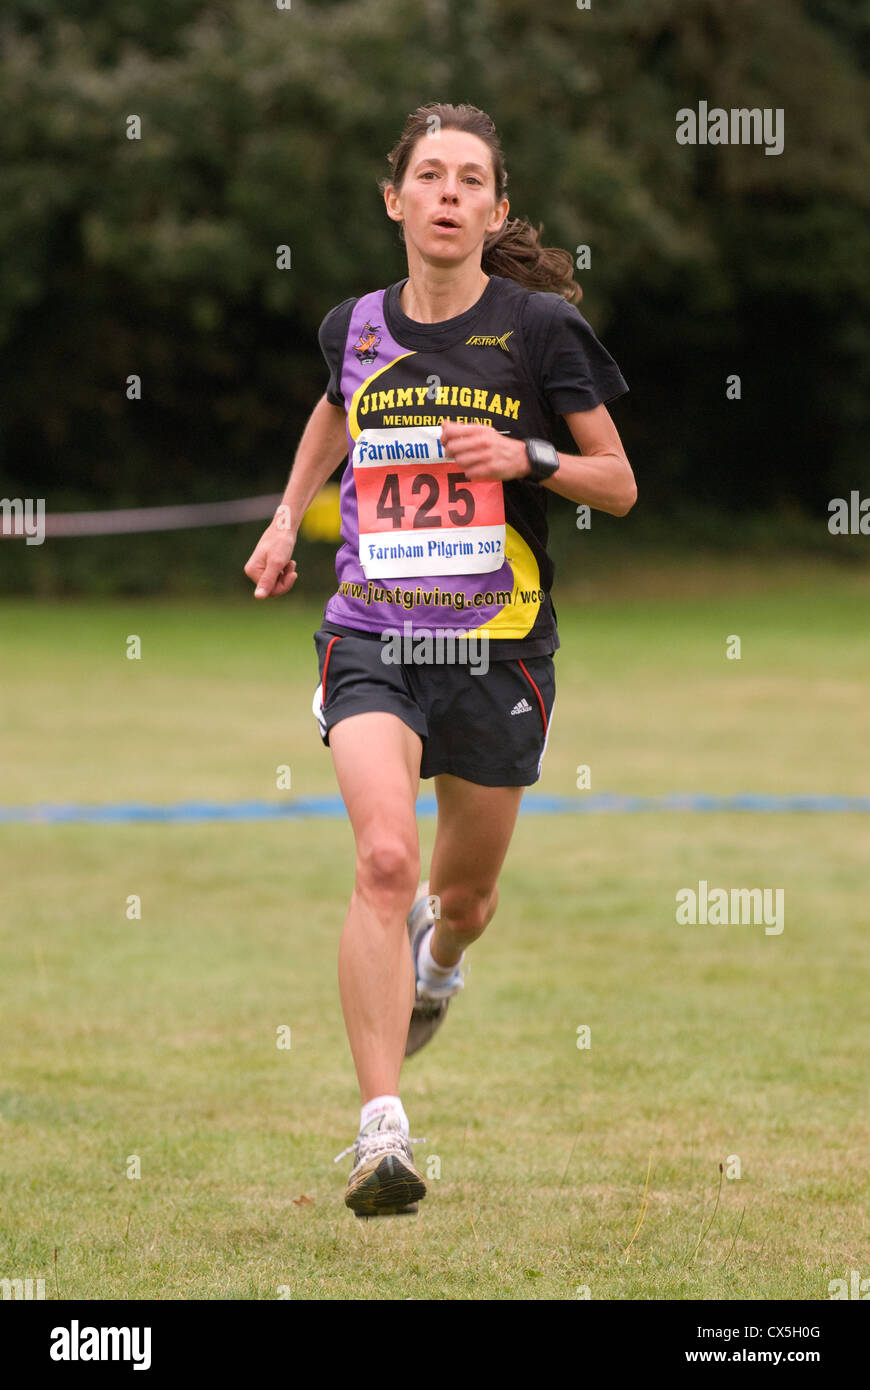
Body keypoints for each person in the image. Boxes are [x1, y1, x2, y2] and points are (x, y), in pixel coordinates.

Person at [244, 102, 636, 1218]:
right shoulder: (354, 326)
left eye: (473, 178)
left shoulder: (542, 332)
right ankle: (380, 1134)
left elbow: (619, 482)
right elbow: (336, 413)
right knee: (382, 861)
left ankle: (443, 960)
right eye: (431, 174)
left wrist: (525, 452)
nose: (451, 193)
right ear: (396, 199)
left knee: (462, 895)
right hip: (373, 631)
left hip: (498, 651)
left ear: (495, 207)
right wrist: (287, 516)